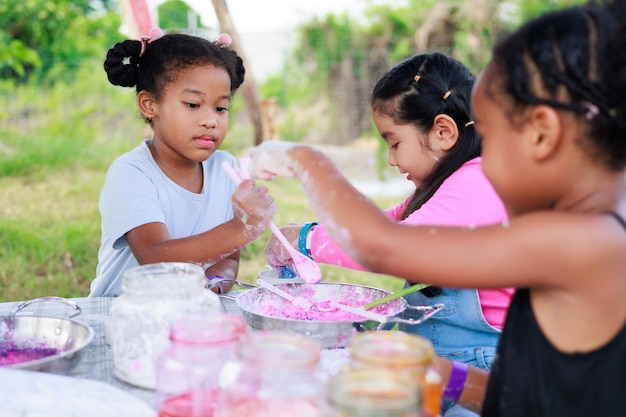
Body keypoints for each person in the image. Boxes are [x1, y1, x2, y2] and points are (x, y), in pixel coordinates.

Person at [246, 1, 626, 415]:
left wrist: (304, 160)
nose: (481, 159)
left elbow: (381, 246)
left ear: (542, 135)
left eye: (491, 137)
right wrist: (439, 373)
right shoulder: (586, 230)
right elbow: (526, 393)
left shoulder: (585, 241)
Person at [264, 53, 511, 417]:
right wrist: (308, 230)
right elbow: (379, 224)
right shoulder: (448, 184)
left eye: (394, 143)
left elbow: (383, 245)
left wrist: (304, 240)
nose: (392, 160)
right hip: (437, 364)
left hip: (480, 375)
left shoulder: (478, 184)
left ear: (444, 132)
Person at [90, 30, 275, 297]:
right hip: (122, 316)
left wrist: (212, 286)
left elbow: (228, 259)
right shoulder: (131, 173)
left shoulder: (228, 170)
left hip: (190, 317)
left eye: (220, 108)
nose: (210, 120)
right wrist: (240, 228)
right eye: (192, 104)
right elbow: (154, 257)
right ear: (149, 104)